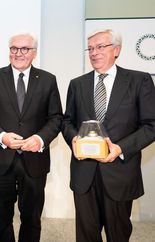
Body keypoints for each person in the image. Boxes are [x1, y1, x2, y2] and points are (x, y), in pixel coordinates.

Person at [62, 29, 155, 242]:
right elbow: (67, 121)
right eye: (91, 48)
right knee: (86, 236)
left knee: (118, 235)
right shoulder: (77, 84)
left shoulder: (139, 81)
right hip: (84, 173)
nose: (94, 52)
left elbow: (151, 125)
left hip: (120, 173)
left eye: (100, 47)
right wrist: (74, 139)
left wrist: (120, 148)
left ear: (117, 50)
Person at [0, 33, 63, 242]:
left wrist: (40, 139)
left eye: (24, 49)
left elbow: (56, 118)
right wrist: (2, 136)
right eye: (14, 48)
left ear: (34, 53)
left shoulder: (48, 80)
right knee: (1, 216)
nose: (18, 53)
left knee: (31, 217)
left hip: (34, 160)